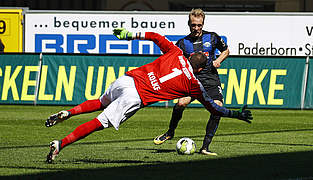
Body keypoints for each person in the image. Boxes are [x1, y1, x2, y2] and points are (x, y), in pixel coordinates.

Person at [45, 28, 252, 163]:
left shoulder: (176, 52)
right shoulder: (194, 84)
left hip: (128, 79)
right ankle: (60, 144)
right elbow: (214, 107)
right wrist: (236, 115)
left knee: (100, 102)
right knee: (99, 123)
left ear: (189, 56)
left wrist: (129, 36)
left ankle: (69, 112)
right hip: (136, 96)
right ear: (200, 70)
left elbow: (154, 36)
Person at [153, 8, 230, 156]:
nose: (196, 28)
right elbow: (172, 58)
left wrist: (218, 60)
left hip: (211, 81)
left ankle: (205, 147)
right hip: (192, 81)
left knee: (217, 108)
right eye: (193, 25)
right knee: (181, 103)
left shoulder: (213, 37)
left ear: (203, 24)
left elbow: (226, 50)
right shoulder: (183, 43)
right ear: (189, 24)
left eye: (199, 25)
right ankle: (170, 132)